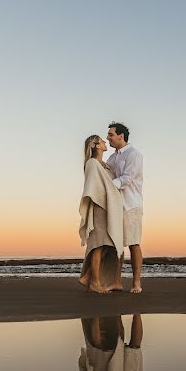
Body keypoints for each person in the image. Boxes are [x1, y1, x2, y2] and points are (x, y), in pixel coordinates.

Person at [78, 135, 125, 293]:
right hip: (100, 208)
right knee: (98, 245)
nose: (105, 142)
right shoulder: (92, 163)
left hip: (108, 209)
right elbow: (93, 187)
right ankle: (95, 282)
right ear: (96, 146)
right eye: (102, 141)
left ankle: (87, 278)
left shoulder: (104, 165)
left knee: (108, 244)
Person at [106, 122, 145, 293]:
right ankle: (117, 281)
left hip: (131, 204)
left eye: (111, 134)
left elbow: (127, 178)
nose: (108, 138)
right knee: (117, 245)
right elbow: (105, 174)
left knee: (133, 243)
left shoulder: (134, 155)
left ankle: (136, 283)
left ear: (121, 136)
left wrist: (107, 185)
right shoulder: (111, 158)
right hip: (115, 206)